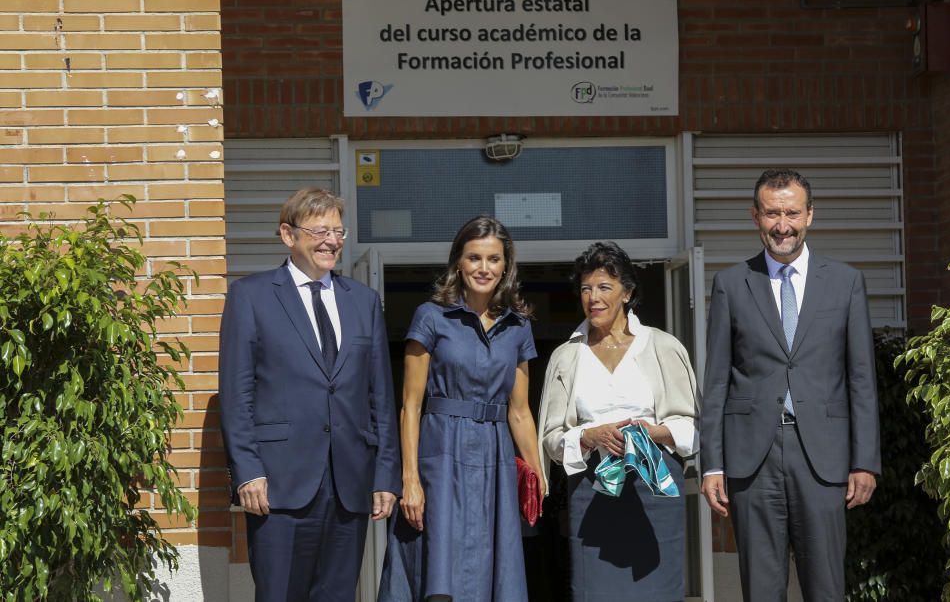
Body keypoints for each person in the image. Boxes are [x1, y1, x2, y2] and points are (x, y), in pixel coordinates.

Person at [700, 169, 881, 601]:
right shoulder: (730, 285)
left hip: (823, 456)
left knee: (826, 586)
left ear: (810, 215)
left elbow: (861, 379)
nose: (783, 225)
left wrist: (865, 461)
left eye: (792, 213)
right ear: (755, 216)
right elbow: (717, 380)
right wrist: (712, 464)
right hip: (752, 459)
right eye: (772, 213)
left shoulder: (846, 282)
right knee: (761, 588)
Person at [219, 187, 401, 601]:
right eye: (320, 231)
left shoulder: (365, 302)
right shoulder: (251, 296)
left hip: (349, 483)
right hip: (279, 483)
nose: (332, 241)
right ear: (288, 235)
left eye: (338, 231)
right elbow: (236, 393)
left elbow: (380, 398)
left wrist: (386, 474)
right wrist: (247, 469)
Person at [378, 216, 546, 602]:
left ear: (506, 266)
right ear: (458, 262)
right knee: (437, 567)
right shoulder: (431, 316)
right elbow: (410, 405)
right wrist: (410, 480)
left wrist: (537, 474)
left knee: (492, 567)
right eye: (474, 258)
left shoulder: (518, 326)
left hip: (495, 456)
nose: (483, 268)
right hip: (440, 454)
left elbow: (519, 411)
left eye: (493, 259)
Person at [538, 241, 699, 601]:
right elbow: (550, 439)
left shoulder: (663, 347)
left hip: (654, 493)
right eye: (585, 288)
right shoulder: (567, 356)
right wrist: (588, 435)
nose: (593, 297)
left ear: (627, 293)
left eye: (604, 287)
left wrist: (651, 432)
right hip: (592, 493)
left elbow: (690, 430)